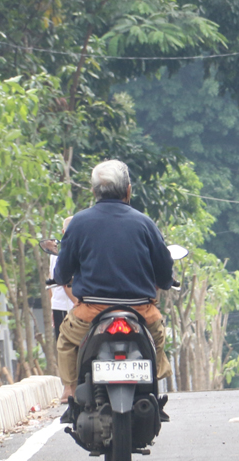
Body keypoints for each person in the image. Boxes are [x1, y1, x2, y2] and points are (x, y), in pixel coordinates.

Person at [54, 160, 175, 422]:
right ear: (128, 190)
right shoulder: (145, 223)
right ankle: (153, 392)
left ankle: (71, 394)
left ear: (93, 191)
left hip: (91, 312)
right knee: (157, 342)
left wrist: (64, 277)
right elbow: (165, 271)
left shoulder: (78, 223)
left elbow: (62, 272)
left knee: (66, 342)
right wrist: (164, 282)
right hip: (141, 311)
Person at [48, 216, 76, 341]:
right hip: (68, 306)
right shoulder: (67, 252)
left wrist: (52, 305)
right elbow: (66, 283)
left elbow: (50, 282)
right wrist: (78, 303)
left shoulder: (56, 252)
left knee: (63, 343)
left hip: (59, 305)